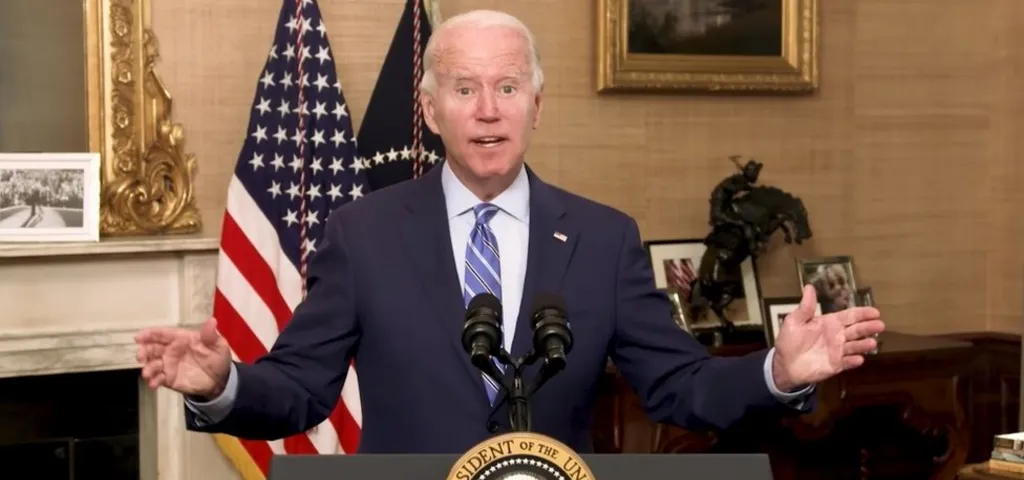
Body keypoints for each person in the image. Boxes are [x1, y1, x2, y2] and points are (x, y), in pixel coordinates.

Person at [134, 9, 885, 454]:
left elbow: (679, 386)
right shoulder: (361, 234)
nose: (488, 110)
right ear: (430, 112)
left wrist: (778, 373)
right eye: (464, 90)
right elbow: (298, 390)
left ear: (536, 105)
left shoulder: (603, 237)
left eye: (507, 87)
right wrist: (222, 384)